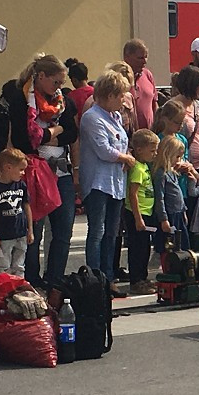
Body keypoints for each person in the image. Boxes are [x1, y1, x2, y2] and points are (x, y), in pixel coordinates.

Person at [7, 54, 79, 288]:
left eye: (61, 83)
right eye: (55, 82)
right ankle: (31, 276)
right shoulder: (22, 101)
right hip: (35, 171)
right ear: (40, 77)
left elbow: (71, 133)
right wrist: (54, 132)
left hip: (60, 171)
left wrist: (49, 135)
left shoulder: (62, 101)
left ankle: (55, 276)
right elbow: (25, 141)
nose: (59, 87)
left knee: (63, 230)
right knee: (34, 230)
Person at [80, 70, 135, 297]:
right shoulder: (92, 117)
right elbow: (103, 150)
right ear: (110, 95)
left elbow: (121, 143)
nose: (124, 99)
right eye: (121, 95)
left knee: (112, 233)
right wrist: (125, 158)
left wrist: (125, 154)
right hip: (97, 183)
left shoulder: (116, 117)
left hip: (115, 182)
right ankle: (94, 278)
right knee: (97, 232)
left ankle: (109, 277)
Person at [0, 147, 32, 279]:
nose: (23, 173)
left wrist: (30, 229)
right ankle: (0, 293)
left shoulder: (21, 185)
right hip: (3, 236)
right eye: (21, 169)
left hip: (21, 233)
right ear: (8, 167)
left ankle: (17, 292)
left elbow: (27, 206)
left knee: (19, 266)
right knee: (1, 266)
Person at [124, 129, 160, 295]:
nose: (155, 154)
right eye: (152, 151)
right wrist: (138, 218)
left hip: (147, 213)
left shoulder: (145, 166)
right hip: (137, 215)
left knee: (145, 248)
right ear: (139, 150)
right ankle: (136, 280)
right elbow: (133, 194)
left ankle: (143, 278)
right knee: (137, 249)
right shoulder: (137, 168)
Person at [152, 135, 189, 254]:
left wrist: (183, 211)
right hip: (169, 215)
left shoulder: (172, 173)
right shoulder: (161, 174)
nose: (179, 160)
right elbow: (160, 197)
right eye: (177, 157)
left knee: (181, 246)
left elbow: (178, 194)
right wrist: (163, 219)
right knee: (168, 247)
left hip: (178, 214)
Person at [124, 39, 157, 131]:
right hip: (128, 137)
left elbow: (154, 103)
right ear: (127, 57)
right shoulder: (118, 78)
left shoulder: (148, 75)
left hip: (149, 135)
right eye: (140, 58)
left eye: (146, 57)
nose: (144, 61)